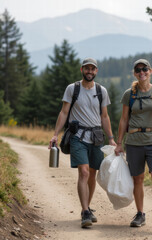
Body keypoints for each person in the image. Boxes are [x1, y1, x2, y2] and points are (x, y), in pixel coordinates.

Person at [49, 57, 116, 228]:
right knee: (84, 172)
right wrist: (55, 134)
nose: (89, 71)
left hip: (96, 137)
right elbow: (64, 112)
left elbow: (105, 116)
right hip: (77, 136)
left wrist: (111, 138)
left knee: (93, 173)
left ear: (96, 71)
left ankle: (87, 208)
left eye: (92, 69)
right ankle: (85, 210)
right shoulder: (73, 89)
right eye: (87, 68)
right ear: (82, 70)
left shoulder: (102, 91)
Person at [114, 59, 152, 232]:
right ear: (135, 73)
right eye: (138, 70)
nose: (142, 72)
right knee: (138, 179)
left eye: (145, 69)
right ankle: (140, 214)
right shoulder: (129, 94)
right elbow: (124, 119)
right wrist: (119, 143)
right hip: (134, 142)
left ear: (150, 71)